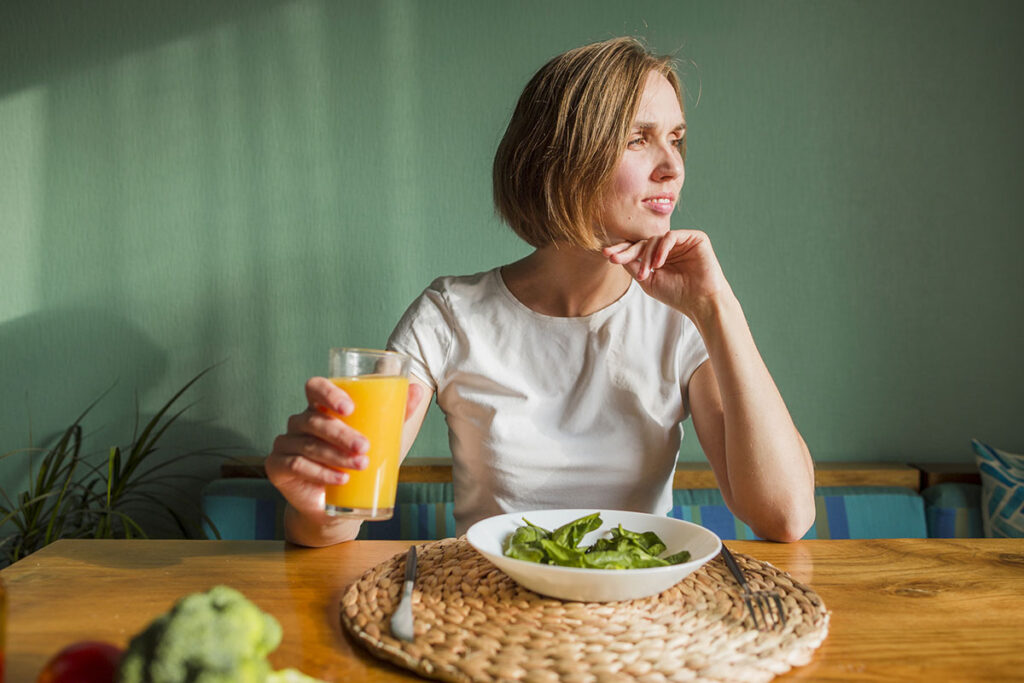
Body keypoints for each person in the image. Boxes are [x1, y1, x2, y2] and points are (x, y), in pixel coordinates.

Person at [266, 37, 816, 547]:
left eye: (675, 139)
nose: (672, 167)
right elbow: (344, 512)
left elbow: (785, 517)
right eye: (637, 139)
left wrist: (718, 305)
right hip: (491, 610)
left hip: (641, 618)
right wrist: (316, 506)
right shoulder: (450, 316)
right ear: (564, 157)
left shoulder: (684, 319)